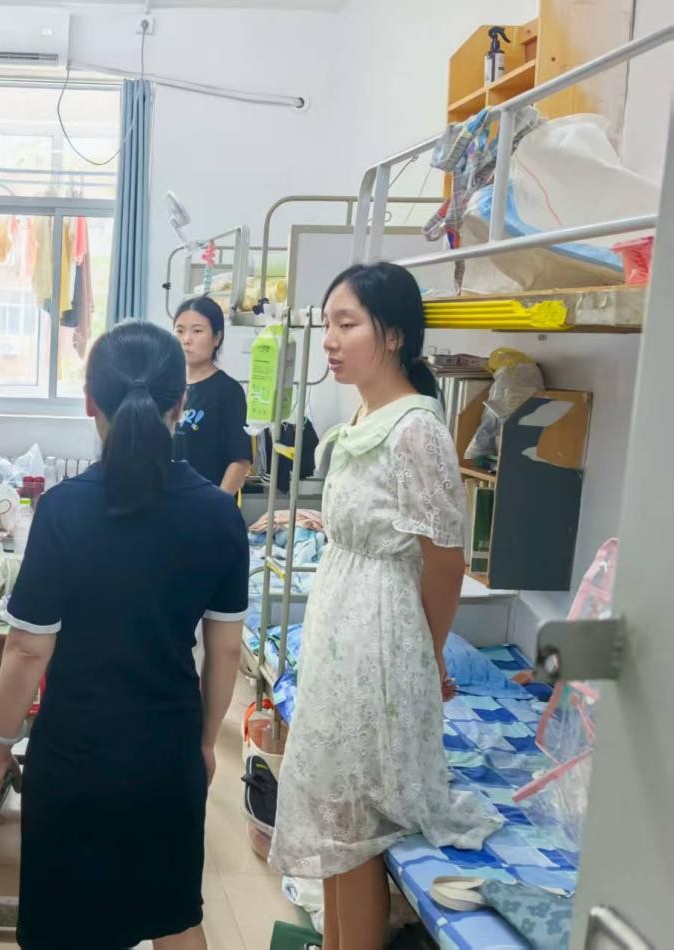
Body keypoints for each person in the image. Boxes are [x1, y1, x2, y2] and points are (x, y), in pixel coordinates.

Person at [0, 321, 249, 950]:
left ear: (89, 402)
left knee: (66, 925)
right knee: (174, 916)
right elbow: (225, 650)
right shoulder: (218, 514)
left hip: (75, 757)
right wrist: (204, 743)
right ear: (181, 403)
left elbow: (27, 648)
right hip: (167, 753)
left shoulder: (63, 509)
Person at [268, 263, 502, 950]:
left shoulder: (416, 430)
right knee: (336, 819)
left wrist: (427, 655)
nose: (330, 341)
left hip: (379, 629)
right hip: (342, 617)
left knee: (356, 827)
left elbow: (445, 560)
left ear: (393, 334)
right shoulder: (364, 415)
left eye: (347, 324)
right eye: (327, 326)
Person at [171, 295, 253, 494]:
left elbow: (240, 461)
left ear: (217, 338)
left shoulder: (228, 390)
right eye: (180, 331)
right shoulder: (165, 386)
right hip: (167, 503)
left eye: (197, 331)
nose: (186, 340)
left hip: (206, 503)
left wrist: (216, 505)